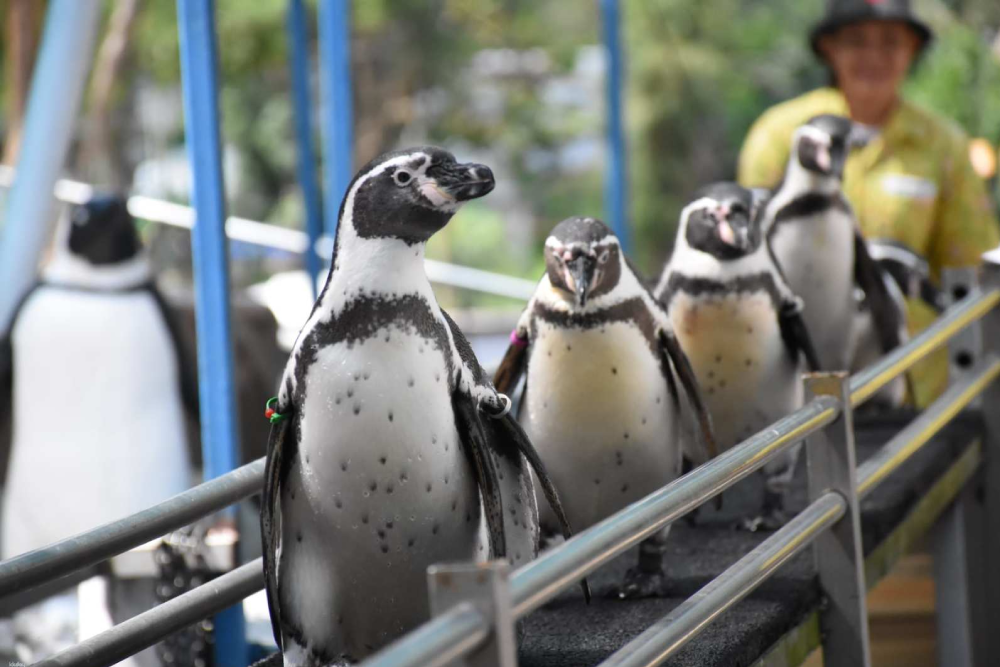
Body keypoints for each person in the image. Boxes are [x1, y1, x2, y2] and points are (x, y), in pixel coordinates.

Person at [738, 0, 1000, 408]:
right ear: (829, 48)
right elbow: (748, 263)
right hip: (797, 390)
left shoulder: (942, 145)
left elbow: (970, 270)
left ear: (912, 49)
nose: (873, 56)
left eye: (890, 42)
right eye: (856, 41)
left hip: (910, 389)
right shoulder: (780, 135)